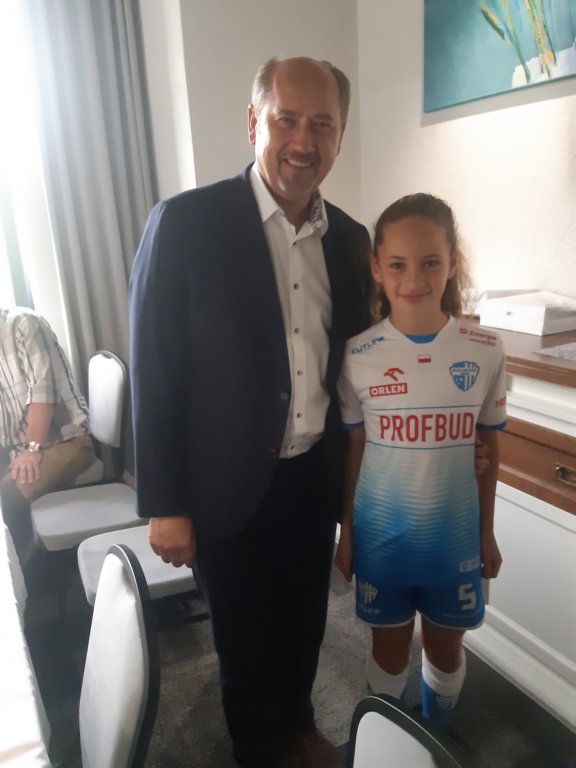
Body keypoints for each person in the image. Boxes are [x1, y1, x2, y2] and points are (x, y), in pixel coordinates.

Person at [129, 57, 372, 768]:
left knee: (303, 623)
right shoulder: (184, 224)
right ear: (252, 123)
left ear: (341, 134)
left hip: (311, 479)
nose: (303, 141)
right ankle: (259, 752)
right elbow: (154, 370)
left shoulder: (351, 240)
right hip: (223, 488)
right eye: (286, 120)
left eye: (322, 124)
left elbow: (367, 369)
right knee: (242, 639)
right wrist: (165, 503)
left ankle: (298, 727)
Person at [335, 193, 506, 731]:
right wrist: (346, 533)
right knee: (388, 655)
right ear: (376, 268)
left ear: (452, 263)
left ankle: (435, 741)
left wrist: (487, 532)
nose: (414, 279)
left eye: (430, 262)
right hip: (382, 538)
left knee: (445, 651)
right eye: (398, 264)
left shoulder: (485, 349)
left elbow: (489, 449)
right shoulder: (357, 355)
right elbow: (355, 450)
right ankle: (388, 747)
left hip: (454, 541)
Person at [0, 307, 95, 566]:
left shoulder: (24, 325)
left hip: (67, 441)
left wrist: (30, 449)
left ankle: (24, 576)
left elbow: (43, 394)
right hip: (20, 447)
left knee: (6, 497)